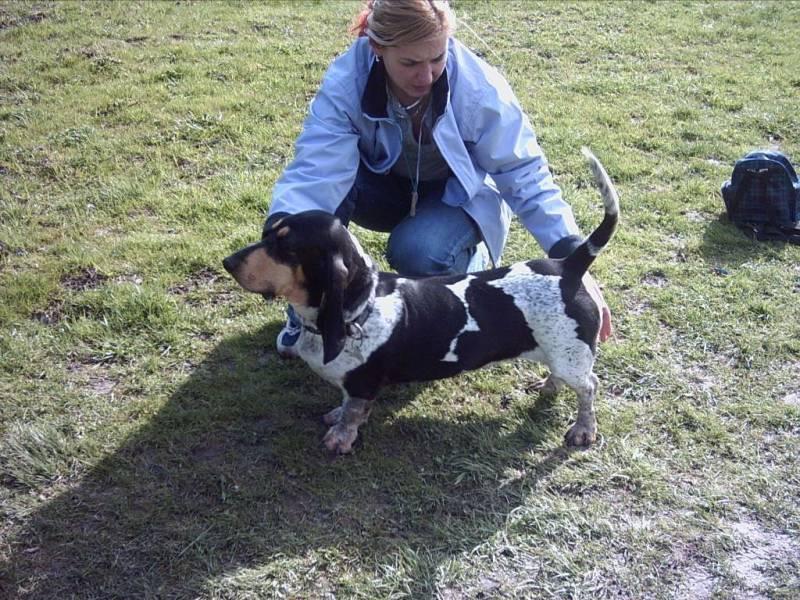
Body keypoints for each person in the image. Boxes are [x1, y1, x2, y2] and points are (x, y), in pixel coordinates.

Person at [265, 0, 612, 358]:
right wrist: (280, 235)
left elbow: (523, 173)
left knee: (417, 251)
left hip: (457, 195)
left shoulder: (480, 88)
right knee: (323, 208)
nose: (426, 76)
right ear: (377, 49)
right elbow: (317, 169)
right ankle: (309, 310)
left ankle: (464, 265)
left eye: (437, 58)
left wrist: (573, 262)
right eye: (410, 63)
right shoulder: (346, 81)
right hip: (380, 188)